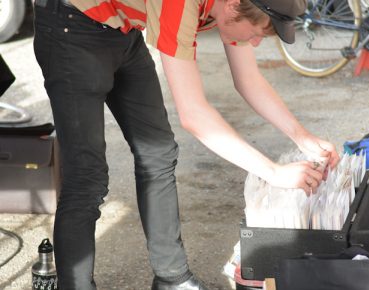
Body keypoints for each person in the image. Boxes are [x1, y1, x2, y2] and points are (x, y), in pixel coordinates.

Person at [33, 0, 340, 289]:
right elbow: (194, 115)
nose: (257, 43)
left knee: (159, 153)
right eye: (258, 33)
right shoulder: (183, 4)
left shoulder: (234, 7)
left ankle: (172, 278)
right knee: (87, 178)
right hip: (71, 26)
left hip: (123, 32)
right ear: (234, 7)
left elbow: (248, 79)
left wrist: (302, 136)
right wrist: (273, 173)